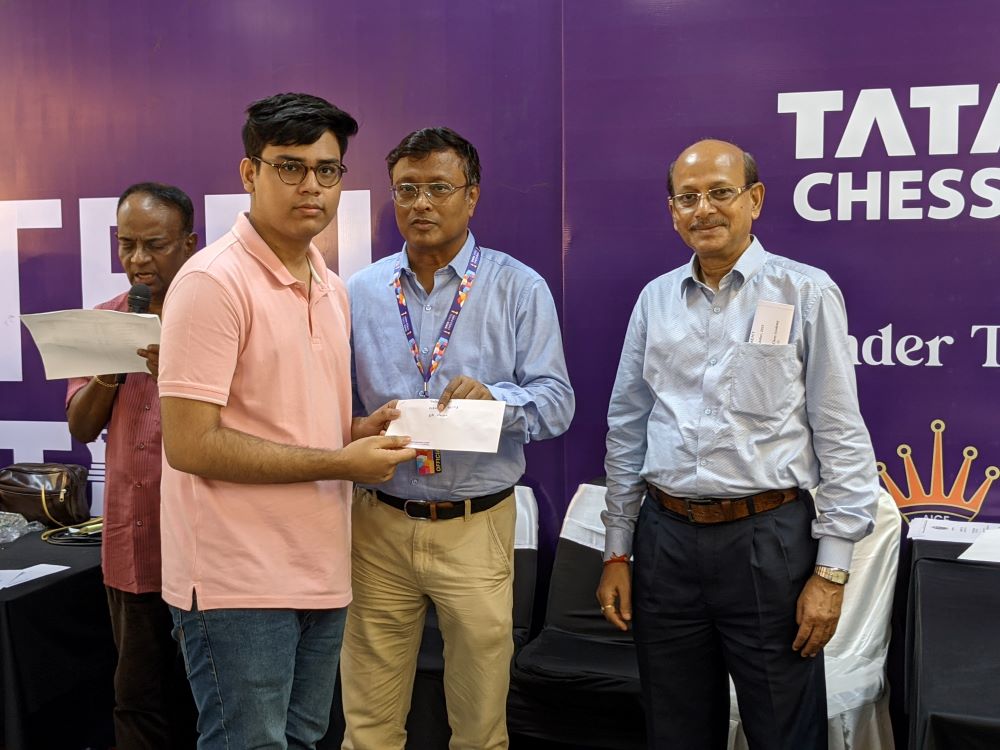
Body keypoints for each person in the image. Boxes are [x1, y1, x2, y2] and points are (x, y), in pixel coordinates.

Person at [598, 139, 879, 750]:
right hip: (665, 542)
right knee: (674, 729)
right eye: (688, 197)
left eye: (720, 193)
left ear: (755, 199)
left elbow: (841, 433)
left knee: (784, 731)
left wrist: (831, 572)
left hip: (767, 542)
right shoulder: (655, 300)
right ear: (672, 211)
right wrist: (617, 549)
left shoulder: (805, 293)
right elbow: (628, 425)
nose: (704, 209)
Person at [156, 92, 415, 750]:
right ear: (250, 173)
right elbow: (191, 444)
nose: (312, 186)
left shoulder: (329, 284)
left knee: (302, 740)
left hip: (320, 569)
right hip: (237, 581)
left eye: (327, 170)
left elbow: (282, 418)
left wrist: (355, 432)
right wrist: (339, 463)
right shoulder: (213, 282)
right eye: (291, 167)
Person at [342, 126, 574, 750]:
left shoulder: (518, 287)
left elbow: (557, 404)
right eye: (406, 189)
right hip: (378, 523)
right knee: (367, 725)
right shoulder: (359, 292)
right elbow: (334, 408)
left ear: (471, 196)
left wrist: (497, 402)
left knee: (479, 728)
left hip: (475, 525)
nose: (421, 203)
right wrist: (357, 429)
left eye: (438, 188)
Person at [66, 181, 199, 750]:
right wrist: (109, 370)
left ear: (189, 243)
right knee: (137, 698)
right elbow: (80, 427)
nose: (138, 259)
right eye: (127, 245)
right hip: (134, 544)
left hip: (204, 551)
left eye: (155, 245)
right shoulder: (105, 320)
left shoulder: (216, 318)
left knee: (210, 702)